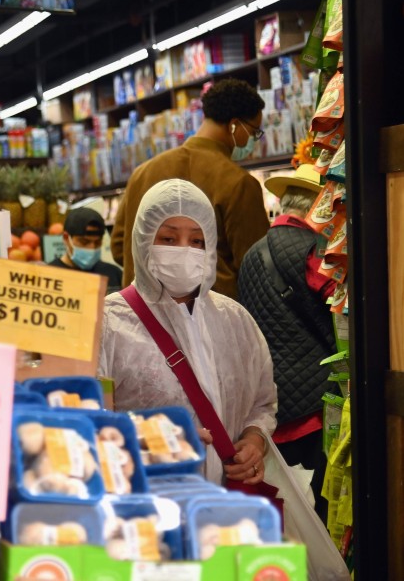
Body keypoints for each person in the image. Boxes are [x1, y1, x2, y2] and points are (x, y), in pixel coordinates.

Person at [99, 179, 277, 484]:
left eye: (197, 242)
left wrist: (254, 440)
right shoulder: (108, 323)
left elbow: (262, 402)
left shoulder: (235, 321)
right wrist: (148, 437)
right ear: (143, 241)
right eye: (168, 239)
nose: (184, 250)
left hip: (225, 511)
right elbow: (88, 420)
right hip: (147, 511)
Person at [110, 78, 270, 299]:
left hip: (143, 316)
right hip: (209, 320)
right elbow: (256, 268)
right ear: (234, 125)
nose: (254, 140)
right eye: (254, 131)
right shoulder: (238, 183)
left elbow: (119, 247)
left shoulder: (142, 173)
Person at [238, 164, 337, 518]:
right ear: (316, 207)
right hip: (316, 404)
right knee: (323, 502)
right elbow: (339, 311)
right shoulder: (315, 251)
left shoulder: (251, 255)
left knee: (284, 505)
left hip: (268, 406)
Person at [48, 207, 122, 292]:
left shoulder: (114, 274)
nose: (92, 248)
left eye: (97, 242)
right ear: (66, 238)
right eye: (84, 242)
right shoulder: (48, 276)